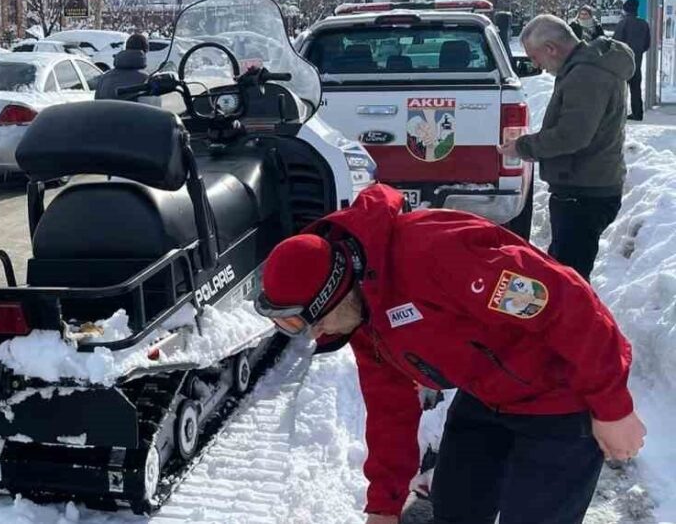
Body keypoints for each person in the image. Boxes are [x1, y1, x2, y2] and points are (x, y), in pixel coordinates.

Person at [255, 183, 645, 524]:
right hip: (487, 394)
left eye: (314, 320)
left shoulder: (437, 253)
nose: (317, 333)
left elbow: (568, 303)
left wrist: (613, 408)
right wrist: (384, 505)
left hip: (559, 399)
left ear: (335, 290)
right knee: (456, 509)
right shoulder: (363, 312)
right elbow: (389, 408)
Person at [499, 14, 632, 282]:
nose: (536, 65)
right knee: (563, 272)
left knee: (570, 280)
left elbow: (571, 136)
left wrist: (523, 147)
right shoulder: (586, 67)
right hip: (585, 186)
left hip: (583, 192)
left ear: (551, 49)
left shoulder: (586, 75)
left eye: (535, 57)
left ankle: (578, 324)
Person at [94, 33, 161, 107]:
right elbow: (152, 111)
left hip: (105, 117)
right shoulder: (146, 81)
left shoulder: (105, 78)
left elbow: (97, 106)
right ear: (145, 52)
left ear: (126, 48)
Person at [614, 0, 652, 121]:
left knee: (621, 89)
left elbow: (616, 43)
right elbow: (647, 44)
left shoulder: (622, 23)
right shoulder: (644, 24)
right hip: (637, 61)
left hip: (622, 62)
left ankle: (620, 114)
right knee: (636, 88)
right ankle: (637, 113)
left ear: (625, 10)